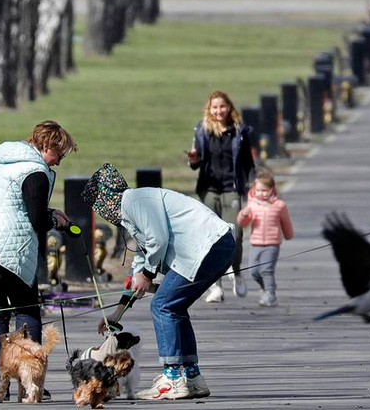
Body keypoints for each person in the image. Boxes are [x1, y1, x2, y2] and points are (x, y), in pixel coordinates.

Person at [85, 163, 234, 401]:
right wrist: (117, 313)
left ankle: (172, 379)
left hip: (207, 245)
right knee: (174, 306)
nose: (103, 213)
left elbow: (158, 240)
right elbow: (141, 261)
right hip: (215, 245)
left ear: (106, 198)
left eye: (99, 206)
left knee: (162, 306)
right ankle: (192, 377)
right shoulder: (135, 211)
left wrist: (147, 275)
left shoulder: (134, 201)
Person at [0, 120, 77, 399]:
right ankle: (30, 380)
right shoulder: (35, 171)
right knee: (27, 310)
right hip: (14, 249)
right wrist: (54, 219)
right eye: (59, 154)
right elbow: (35, 218)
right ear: (47, 146)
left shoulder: (0, 159)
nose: (58, 161)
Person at [186, 90, 255, 303]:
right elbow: (194, 164)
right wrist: (193, 159)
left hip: (232, 189)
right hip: (209, 189)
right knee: (210, 238)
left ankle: (237, 273)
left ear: (229, 107)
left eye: (222, 107)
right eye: (214, 107)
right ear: (209, 109)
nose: (218, 111)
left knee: (235, 235)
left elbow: (247, 163)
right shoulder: (202, 130)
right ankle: (215, 285)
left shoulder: (239, 132)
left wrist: (253, 188)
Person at [236, 171, 294, 307]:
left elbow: (286, 222)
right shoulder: (252, 205)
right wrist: (243, 215)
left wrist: (288, 235)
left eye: (265, 191)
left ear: (272, 190)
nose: (261, 193)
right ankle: (266, 287)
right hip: (256, 243)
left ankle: (270, 294)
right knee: (254, 271)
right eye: (258, 191)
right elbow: (243, 224)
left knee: (266, 270)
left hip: (272, 243)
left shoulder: (279, 205)